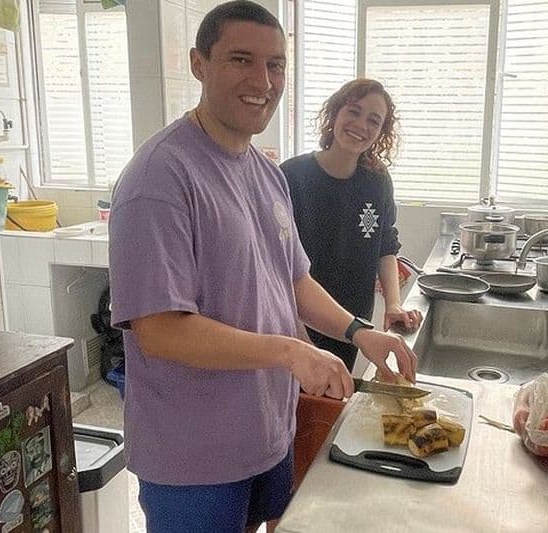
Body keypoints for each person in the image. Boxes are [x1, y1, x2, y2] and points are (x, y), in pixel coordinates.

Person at [107, 3, 417, 532]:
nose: (262, 80)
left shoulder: (265, 174)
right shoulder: (159, 177)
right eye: (241, 60)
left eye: (275, 65)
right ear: (198, 64)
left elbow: (293, 281)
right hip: (195, 457)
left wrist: (361, 331)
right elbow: (158, 331)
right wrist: (290, 351)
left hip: (268, 432)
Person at [281, 79, 423, 372]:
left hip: (353, 322)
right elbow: (274, 264)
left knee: (332, 406)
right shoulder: (291, 176)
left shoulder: (377, 180)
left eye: (374, 120)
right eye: (354, 111)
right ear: (335, 112)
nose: (361, 125)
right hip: (296, 320)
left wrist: (393, 305)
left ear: (381, 133)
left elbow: (386, 246)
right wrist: (297, 333)